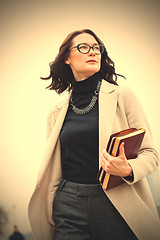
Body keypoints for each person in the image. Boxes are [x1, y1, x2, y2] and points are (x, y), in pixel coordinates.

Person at [28, 29, 160, 240]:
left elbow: (151, 154)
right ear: (67, 58)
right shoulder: (55, 113)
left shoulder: (122, 95)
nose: (93, 52)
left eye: (97, 48)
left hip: (116, 202)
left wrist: (128, 169)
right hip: (68, 204)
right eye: (84, 47)